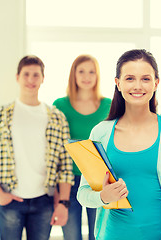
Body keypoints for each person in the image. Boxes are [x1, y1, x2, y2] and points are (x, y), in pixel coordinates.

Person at [77, 49, 161, 240]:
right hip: (112, 235)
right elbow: (83, 194)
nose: (138, 86)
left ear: (156, 83)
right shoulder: (101, 132)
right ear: (118, 83)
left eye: (146, 79)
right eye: (130, 78)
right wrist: (103, 197)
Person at [0, 55, 74, 240]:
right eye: (26, 74)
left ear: (43, 78)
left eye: (36, 75)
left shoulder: (56, 117)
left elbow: (65, 164)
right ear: (17, 77)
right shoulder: (1, 114)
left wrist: (63, 203)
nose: (31, 80)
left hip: (44, 200)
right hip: (10, 199)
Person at [53, 54, 111, 240]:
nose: (87, 76)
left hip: (99, 181)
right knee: (71, 236)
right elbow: (54, 148)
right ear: (73, 74)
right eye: (81, 71)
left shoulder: (108, 105)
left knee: (99, 235)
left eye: (91, 72)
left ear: (97, 75)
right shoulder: (60, 105)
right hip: (68, 183)